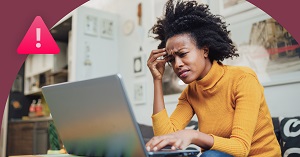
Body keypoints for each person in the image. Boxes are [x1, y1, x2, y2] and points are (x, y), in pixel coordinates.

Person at [145, 0, 281, 156]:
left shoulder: (243, 79)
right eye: (171, 59)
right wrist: (157, 80)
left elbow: (241, 148)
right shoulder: (191, 94)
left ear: (205, 50)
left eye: (182, 54)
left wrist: (193, 135)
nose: (177, 64)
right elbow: (165, 138)